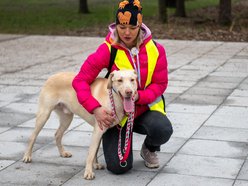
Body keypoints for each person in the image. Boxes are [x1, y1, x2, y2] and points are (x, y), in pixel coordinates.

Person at [72, 0, 173, 174]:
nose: (127, 32)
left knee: (162, 129)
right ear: (116, 25)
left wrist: (139, 97)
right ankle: (113, 139)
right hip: (116, 114)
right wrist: (95, 108)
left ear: (140, 26)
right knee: (119, 168)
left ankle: (149, 148)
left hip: (144, 108)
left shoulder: (156, 49)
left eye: (133, 28)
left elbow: (160, 84)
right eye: (122, 27)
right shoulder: (108, 49)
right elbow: (79, 80)